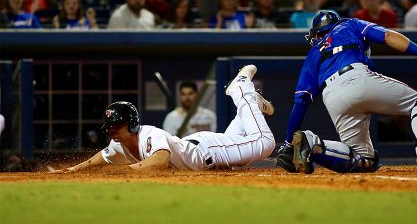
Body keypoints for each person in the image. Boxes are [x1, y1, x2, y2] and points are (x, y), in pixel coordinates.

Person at [276, 10, 417, 174]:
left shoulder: (313, 53)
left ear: (317, 34)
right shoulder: (350, 24)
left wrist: (287, 143)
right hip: (357, 77)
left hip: (332, 97)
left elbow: (301, 102)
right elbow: (388, 36)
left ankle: (312, 144)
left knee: (365, 161)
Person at [49, 65, 276, 172]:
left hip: (210, 151)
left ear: (132, 124)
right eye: (110, 127)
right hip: (201, 150)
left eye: (116, 126)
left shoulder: (149, 133)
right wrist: (72, 171)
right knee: (241, 141)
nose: (112, 131)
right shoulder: (120, 144)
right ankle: (251, 103)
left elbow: (159, 161)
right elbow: (101, 157)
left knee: (265, 143)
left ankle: (242, 87)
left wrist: (123, 171)